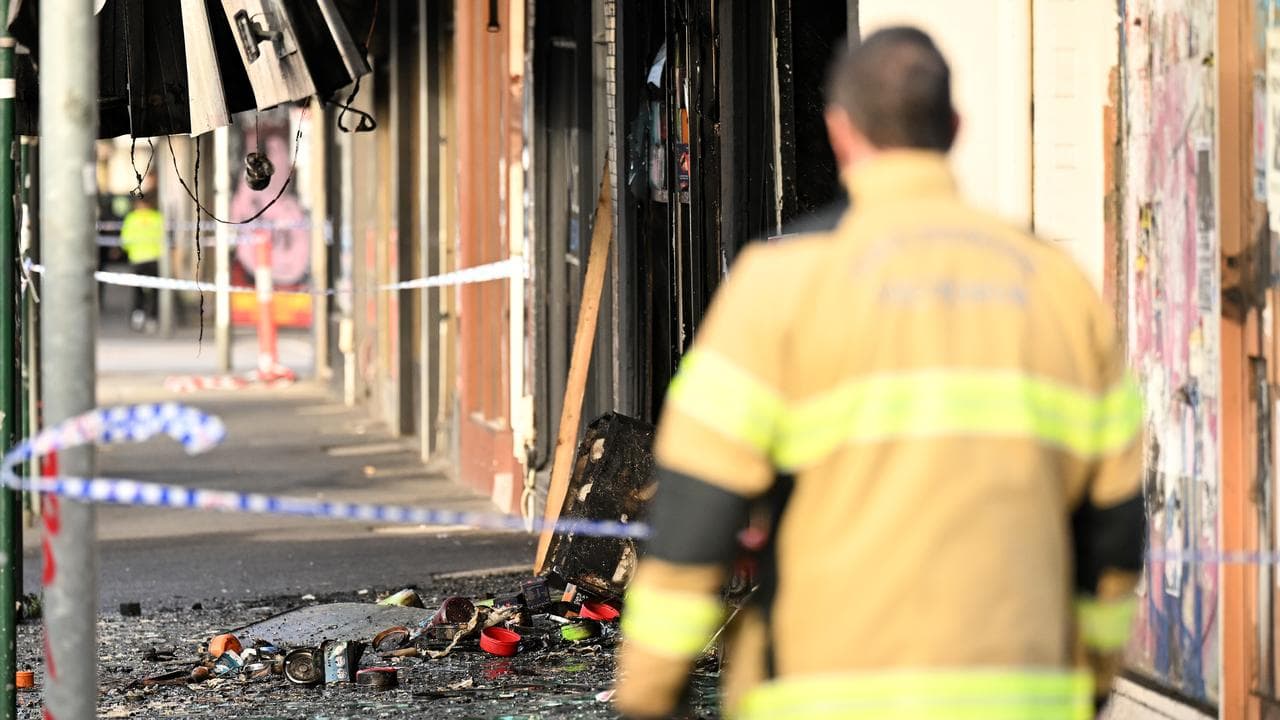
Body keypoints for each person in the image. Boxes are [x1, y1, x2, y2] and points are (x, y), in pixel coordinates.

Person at [614, 26, 1144, 720]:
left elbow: (695, 517)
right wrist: (1093, 673)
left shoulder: (776, 288)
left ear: (840, 131)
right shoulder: (1058, 288)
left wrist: (649, 692)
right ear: (954, 129)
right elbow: (1115, 529)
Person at [119, 194, 164, 333]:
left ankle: (138, 318)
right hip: (155, 258)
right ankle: (152, 319)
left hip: (137, 259)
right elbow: (164, 238)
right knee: (154, 291)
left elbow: (124, 240)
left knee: (138, 291)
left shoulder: (131, 218)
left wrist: (130, 250)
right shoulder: (157, 218)